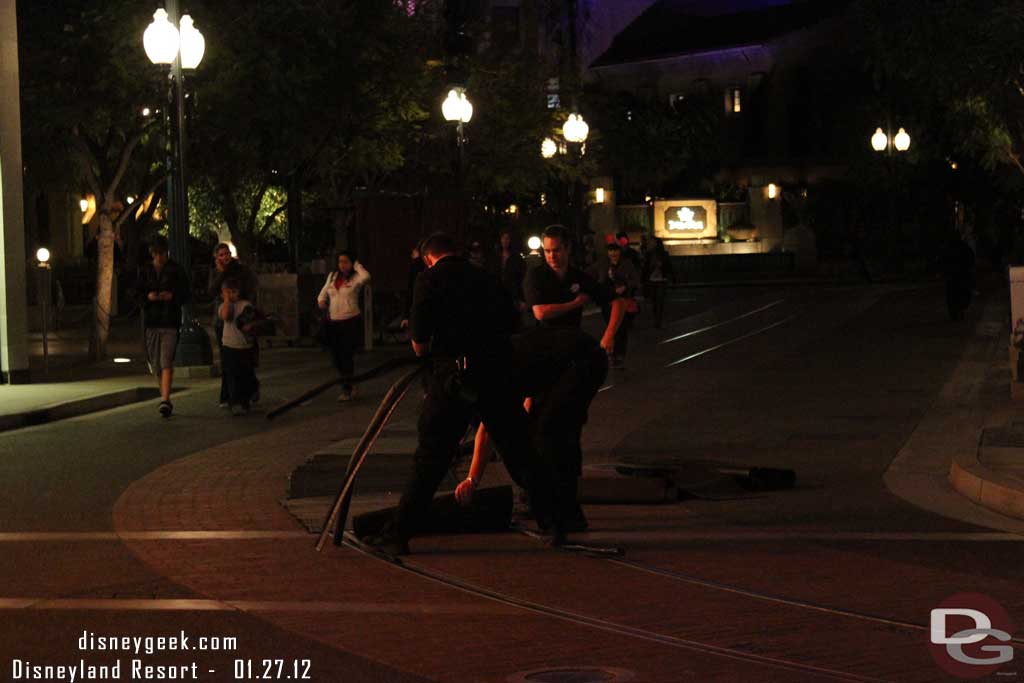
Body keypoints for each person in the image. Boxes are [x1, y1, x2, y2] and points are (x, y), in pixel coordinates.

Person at [364, 232, 555, 555]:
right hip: (495, 375)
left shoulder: (428, 280)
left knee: (431, 457)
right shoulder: (486, 278)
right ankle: (555, 519)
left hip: (453, 378)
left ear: (428, 257)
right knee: (519, 449)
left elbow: (420, 342)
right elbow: (512, 323)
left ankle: (399, 533)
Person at [458, 326, 608, 533]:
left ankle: (564, 513)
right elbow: (497, 423)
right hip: (571, 363)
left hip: (582, 362)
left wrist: (472, 480)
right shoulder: (500, 362)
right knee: (549, 433)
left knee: (550, 434)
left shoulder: (493, 372)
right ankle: (559, 507)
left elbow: (488, 431)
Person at [136, 236, 189, 418]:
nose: (159, 258)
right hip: (152, 321)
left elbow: (185, 292)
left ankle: (165, 399)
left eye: (162, 254)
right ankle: (164, 397)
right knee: (157, 363)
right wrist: (148, 298)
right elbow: (137, 293)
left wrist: (172, 297)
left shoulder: (175, 270)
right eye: (156, 254)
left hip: (169, 321)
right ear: (152, 254)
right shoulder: (145, 271)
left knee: (166, 359)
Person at [207, 243, 259, 408]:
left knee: (245, 357)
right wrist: (222, 274)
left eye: (226, 254)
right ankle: (228, 395)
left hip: (242, 315)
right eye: (221, 255)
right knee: (227, 360)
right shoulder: (216, 273)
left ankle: (249, 390)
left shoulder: (241, 270)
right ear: (216, 257)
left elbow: (251, 287)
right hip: (223, 317)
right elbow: (212, 291)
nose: (225, 257)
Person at [316, 251, 370, 402]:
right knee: (336, 358)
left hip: (350, 321)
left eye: (346, 261)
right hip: (334, 322)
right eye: (340, 261)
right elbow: (323, 291)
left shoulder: (356, 277)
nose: (342, 265)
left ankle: (347, 388)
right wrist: (321, 300)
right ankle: (350, 382)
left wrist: (358, 266)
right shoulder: (333, 276)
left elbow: (366, 277)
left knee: (346, 356)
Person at [594, 241, 640, 369]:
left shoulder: (627, 264)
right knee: (611, 326)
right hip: (607, 300)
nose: (613, 253)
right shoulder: (603, 264)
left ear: (620, 252)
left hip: (622, 299)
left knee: (621, 327)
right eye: (611, 251)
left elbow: (635, 279)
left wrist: (625, 286)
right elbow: (592, 273)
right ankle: (611, 351)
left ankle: (618, 355)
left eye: (615, 251)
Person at [218, 277, 259, 415]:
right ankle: (235, 401)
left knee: (245, 375)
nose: (231, 295)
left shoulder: (245, 305)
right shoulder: (224, 306)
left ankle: (245, 399)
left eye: (234, 292)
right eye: (227, 292)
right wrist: (227, 301)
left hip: (244, 346)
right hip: (229, 346)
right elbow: (225, 316)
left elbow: (249, 324)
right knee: (232, 375)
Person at [642, 237, 675, 328]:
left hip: (661, 280)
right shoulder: (648, 254)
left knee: (659, 301)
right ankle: (656, 318)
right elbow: (645, 268)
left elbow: (669, 267)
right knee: (654, 301)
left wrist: (663, 267)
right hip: (652, 280)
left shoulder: (664, 254)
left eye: (652, 242)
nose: (651, 244)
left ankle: (658, 320)